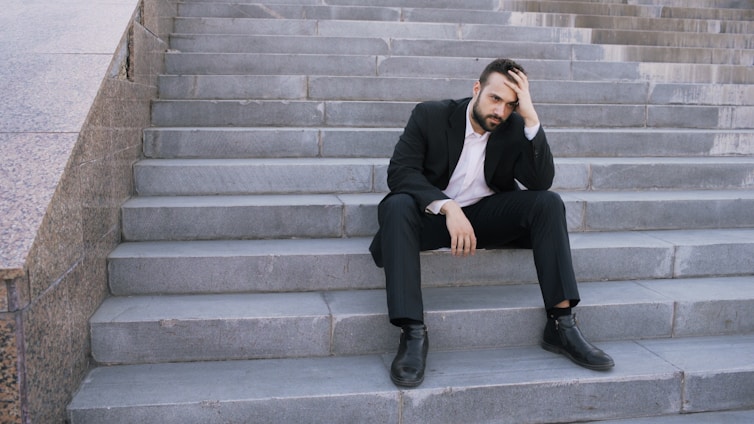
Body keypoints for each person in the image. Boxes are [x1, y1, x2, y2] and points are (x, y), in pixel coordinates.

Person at [369, 58, 614, 388]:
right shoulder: (430, 115)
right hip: (430, 219)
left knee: (549, 203)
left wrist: (530, 119)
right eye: (495, 98)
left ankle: (561, 325)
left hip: (484, 218)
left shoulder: (513, 127)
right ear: (476, 89)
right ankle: (413, 334)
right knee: (397, 205)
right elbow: (400, 173)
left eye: (510, 105)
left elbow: (540, 182)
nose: (500, 111)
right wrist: (448, 207)